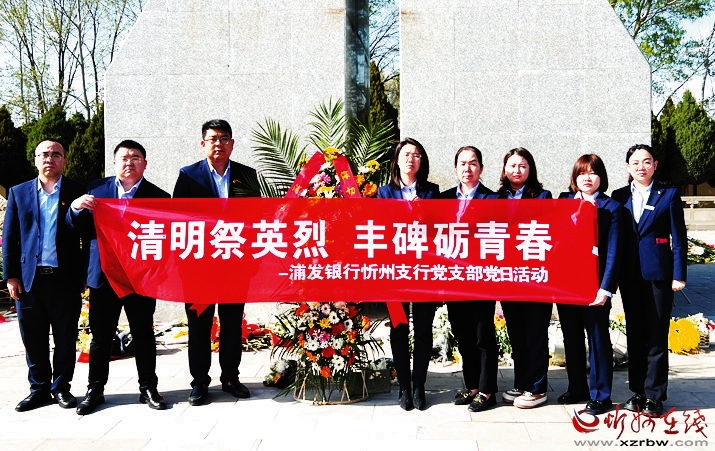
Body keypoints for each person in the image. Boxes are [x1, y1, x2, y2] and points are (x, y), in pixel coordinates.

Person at [67, 140, 171, 415]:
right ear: (114, 163)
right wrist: (75, 208)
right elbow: (77, 228)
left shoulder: (158, 197)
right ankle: (95, 389)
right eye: (124, 157)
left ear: (145, 164)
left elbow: (166, 239)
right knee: (100, 337)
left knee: (143, 334)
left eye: (136, 157)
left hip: (140, 278)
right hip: (104, 276)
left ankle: (148, 388)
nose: (129, 162)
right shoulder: (95, 190)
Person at [173, 119, 260, 406]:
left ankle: (231, 377)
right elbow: (176, 221)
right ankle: (199, 382)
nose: (219, 144)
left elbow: (256, 219)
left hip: (235, 265)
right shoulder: (189, 176)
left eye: (224, 138)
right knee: (199, 325)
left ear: (232, 144)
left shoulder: (247, 176)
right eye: (213, 139)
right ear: (203, 143)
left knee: (232, 324)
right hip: (199, 268)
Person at [2, 139, 87, 412]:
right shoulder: (19, 192)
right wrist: (11, 276)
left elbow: (87, 235)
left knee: (65, 337)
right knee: (33, 338)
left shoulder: (77, 191)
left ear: (64, 160)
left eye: (56, 154)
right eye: (44, 154)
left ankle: (61, 388)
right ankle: (38, 389)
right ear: (36, 160)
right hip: (29, 280)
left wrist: (84, 274)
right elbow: (10, 236)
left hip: (65, 278)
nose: (50, 158)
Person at [612, 144, 687, 416]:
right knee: (635, 334)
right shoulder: (619, 196)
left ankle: (655, 396)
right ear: (627, 167)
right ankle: (638, 391)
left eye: (646, 162)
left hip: (659, 276)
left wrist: (679, 275)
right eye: (635, 162)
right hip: (629, 276)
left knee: (656, 335)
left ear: (655, 165)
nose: (640, 167)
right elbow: (617, 237)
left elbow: (679, 238)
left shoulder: (668, 194)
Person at [557, 154, 622, 415]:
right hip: (566, 284)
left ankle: (601, 395)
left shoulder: (612, 207)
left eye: (593, 172)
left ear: (601, 177)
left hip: (595, 286)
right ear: (575, 177)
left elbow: (614, 252)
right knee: (572, 338)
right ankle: (577, 388)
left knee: (598, 339)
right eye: (582, 173)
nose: (587, 178)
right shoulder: (563, 202)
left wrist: (605, 288)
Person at [377, 137, 439, 411]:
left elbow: (440, 229)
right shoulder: (384, 193)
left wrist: (423, 213)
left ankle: (419, 385)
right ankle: (404, 385)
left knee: (424, 329)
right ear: (397, 160)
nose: (410, 159)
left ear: (421, 161)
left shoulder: (432, 192)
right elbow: (380, 228)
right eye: (406, 154)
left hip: (425, 272)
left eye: (416, 155)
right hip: (396, 272)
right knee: (399, 328)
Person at [488, 147, 552, 409]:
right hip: (509, 278)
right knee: (517, 334)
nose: (517, 170)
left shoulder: (543, 197)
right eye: (512, 165)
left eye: (522, 165)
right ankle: (521, 382)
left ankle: (537, 388)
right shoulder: (496, 198)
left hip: (536, 277)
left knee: (535, 333)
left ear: (530, 169)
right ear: (505, 169)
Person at [440, 146, 499, 413]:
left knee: (483, 336)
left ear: (481, 168)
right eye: (462, 163)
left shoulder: (493, 199)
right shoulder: (442, 199)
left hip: (481, 278)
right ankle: (472, 385)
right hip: (453, 278)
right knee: (463, 335)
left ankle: (487, 390)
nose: (467, 168)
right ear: (455, 169)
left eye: (473, 163)